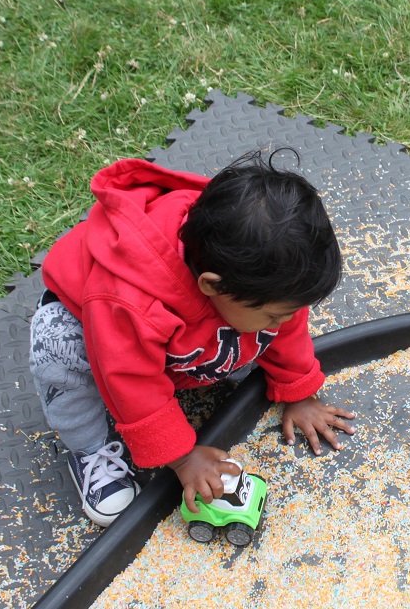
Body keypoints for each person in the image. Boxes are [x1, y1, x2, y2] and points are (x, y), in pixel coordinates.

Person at [29, 150, 354, 526]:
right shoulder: (132, 300)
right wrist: (182, 456)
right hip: (93, 329)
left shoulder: (245, 271)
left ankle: (201, 358)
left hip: (184, 323)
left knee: (257, 319)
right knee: (57, 347)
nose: (284, 321)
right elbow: (130, 379)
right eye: (274, 315)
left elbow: (287, 323)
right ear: (212, 285)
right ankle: (88, 451)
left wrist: (299, 392)